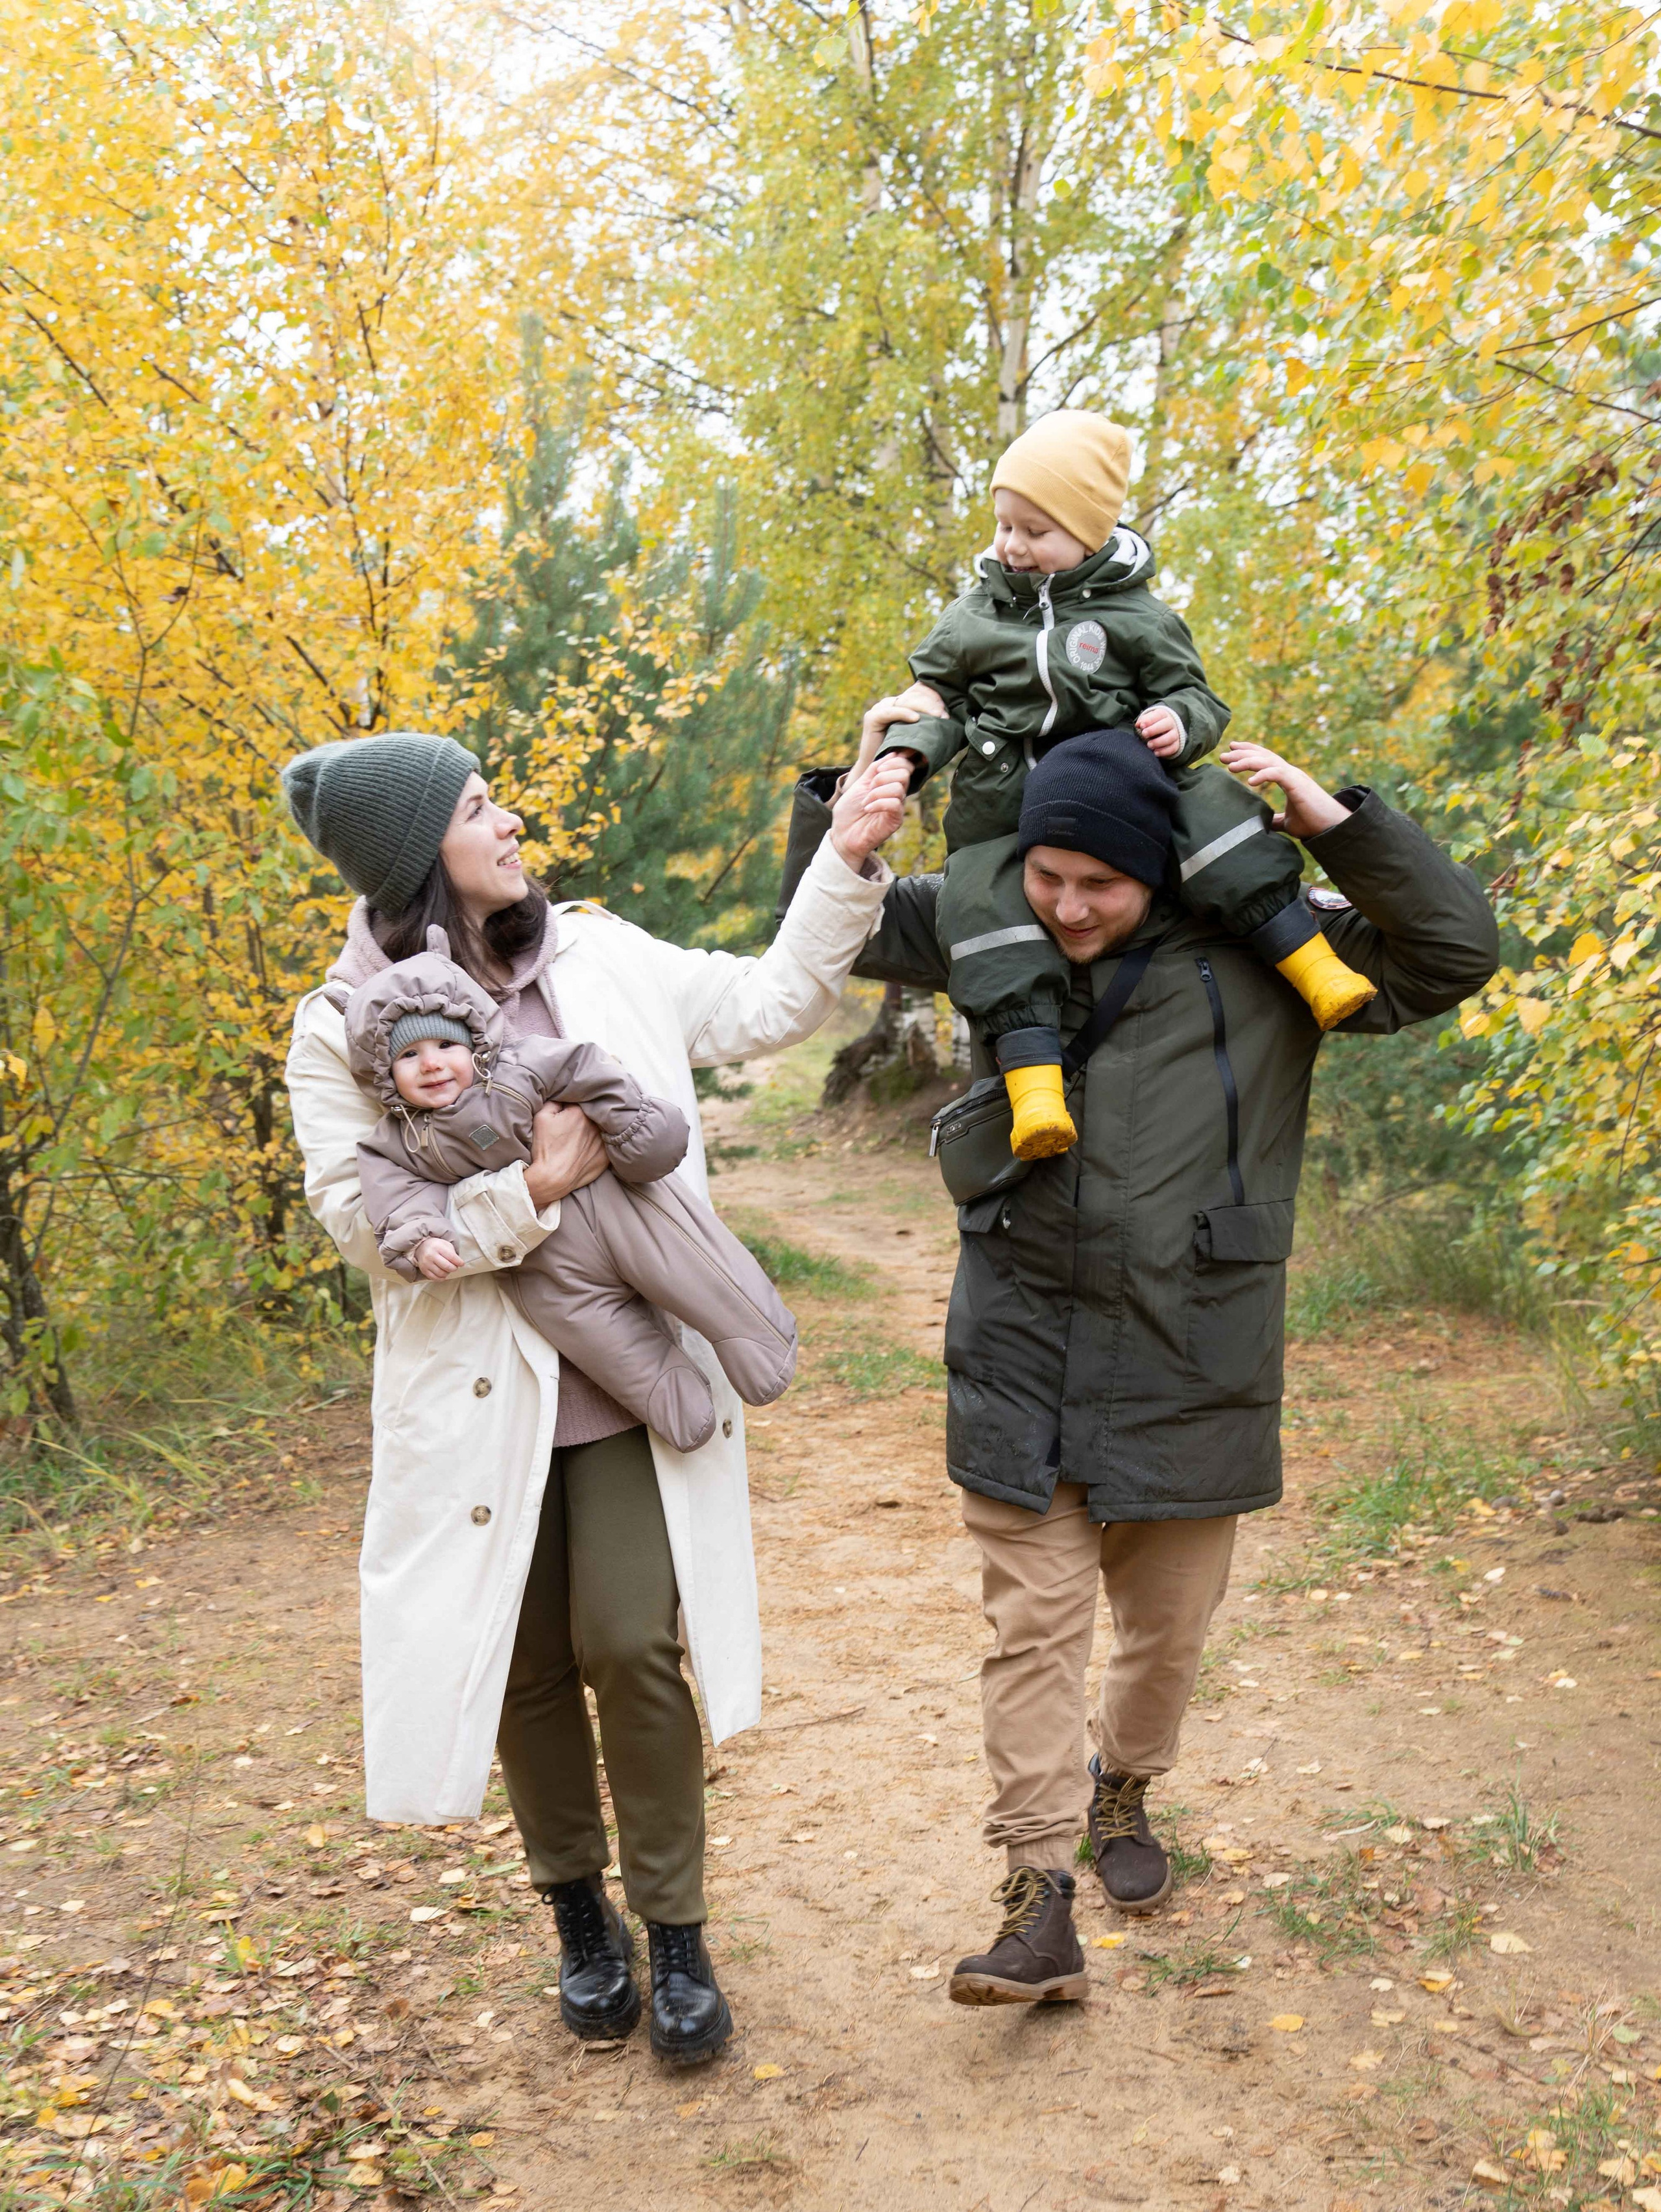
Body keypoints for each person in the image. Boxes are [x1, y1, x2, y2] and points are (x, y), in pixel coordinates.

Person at [774, 727, 1498, 2006]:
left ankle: (1125, 1780)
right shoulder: (986, 914)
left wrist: (1337, 826)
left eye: (1097, 885)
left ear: (1157, 868)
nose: (1066, 908)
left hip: (1192, 1348)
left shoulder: (1269, 944)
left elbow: (1451, 954)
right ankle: (1035, 1896)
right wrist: (854, 795)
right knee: (1032, 1632)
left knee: (1164, 1635)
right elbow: (827, 920)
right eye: (1047, 876)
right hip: (1022, 1341)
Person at [282, 730, 910, 2063]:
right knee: (523, 1666)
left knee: (630, 1640)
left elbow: (765, 1004)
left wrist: (846, 859)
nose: (509, 821)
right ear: (417, 854)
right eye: (477, 806)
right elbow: (360, 1224)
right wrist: (534, 1191)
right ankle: (578, 1915)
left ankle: (675, 1931)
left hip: (629, 1375)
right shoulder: (337, 1026)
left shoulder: (601, 954)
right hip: (471, 1400)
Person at [871, 409, 1376, 1161]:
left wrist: (1178, 720)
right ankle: (1034, 1090)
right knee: (982, 908)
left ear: (1090, 532)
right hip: (1003, 809)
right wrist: (904, 756)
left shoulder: (1137, 615)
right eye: (1004, 525)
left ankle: (1310, 962)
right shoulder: (973, 616)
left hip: (1120, 795)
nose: (1012, 545)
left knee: (1218, 815)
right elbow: (934, 698)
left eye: (1035, 530)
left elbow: (1196, 696)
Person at [342, 937, 797, 1450]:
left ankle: (762, 1339)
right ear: (382, 1070)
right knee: (593, 1332)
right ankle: (671, 1396)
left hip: (614, 1206)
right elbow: (396, 1198)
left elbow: (589, 1071)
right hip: (541, 1265)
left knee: (688, 1264)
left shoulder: (520, 1067)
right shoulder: (399, 1140)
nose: (431, 1064)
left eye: (445, 1046)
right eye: (409, 1055)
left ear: (472, 1040)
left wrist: (635, 1126)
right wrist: (422, 1240)